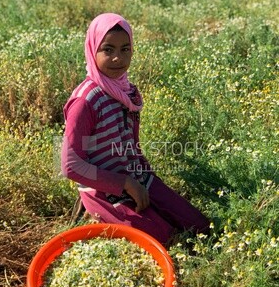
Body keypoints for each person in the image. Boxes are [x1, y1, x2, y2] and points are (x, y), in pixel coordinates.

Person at [61, 13, 209, 246]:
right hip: (103, 190)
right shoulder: (85, 101)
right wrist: (125, 184)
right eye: (107, 50)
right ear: (92, 49)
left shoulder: (125, 91)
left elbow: (130, 142)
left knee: (200, 227)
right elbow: (71, 166)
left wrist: (147, 181)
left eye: (125, 49)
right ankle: (98, 216)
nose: (117, 58)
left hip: (136, 176)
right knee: (165, 241)